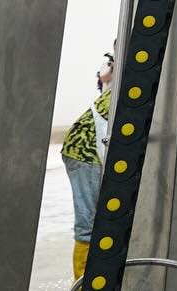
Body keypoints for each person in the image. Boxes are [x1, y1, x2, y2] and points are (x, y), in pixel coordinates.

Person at [61, 51, 113, 279]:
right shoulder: (119, 87)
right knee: (88, 224)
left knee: (94, 220)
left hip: (87, 150)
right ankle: (82, 281)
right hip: (84, 152)